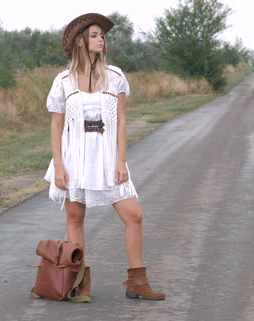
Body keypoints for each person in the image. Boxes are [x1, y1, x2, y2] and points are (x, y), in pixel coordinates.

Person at [43, 13, 165, 301]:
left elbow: (122, 120)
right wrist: (59, 165)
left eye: (102, 35)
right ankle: (80, 283)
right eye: (95, 34)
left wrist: (121, 161)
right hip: (76, 157)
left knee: (133, 215)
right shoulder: (63, 81)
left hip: (108, 156)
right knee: (75, 217)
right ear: (81, 41)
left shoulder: (116, 77)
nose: (102, 39)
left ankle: (136, 281)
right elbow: (57, 126)